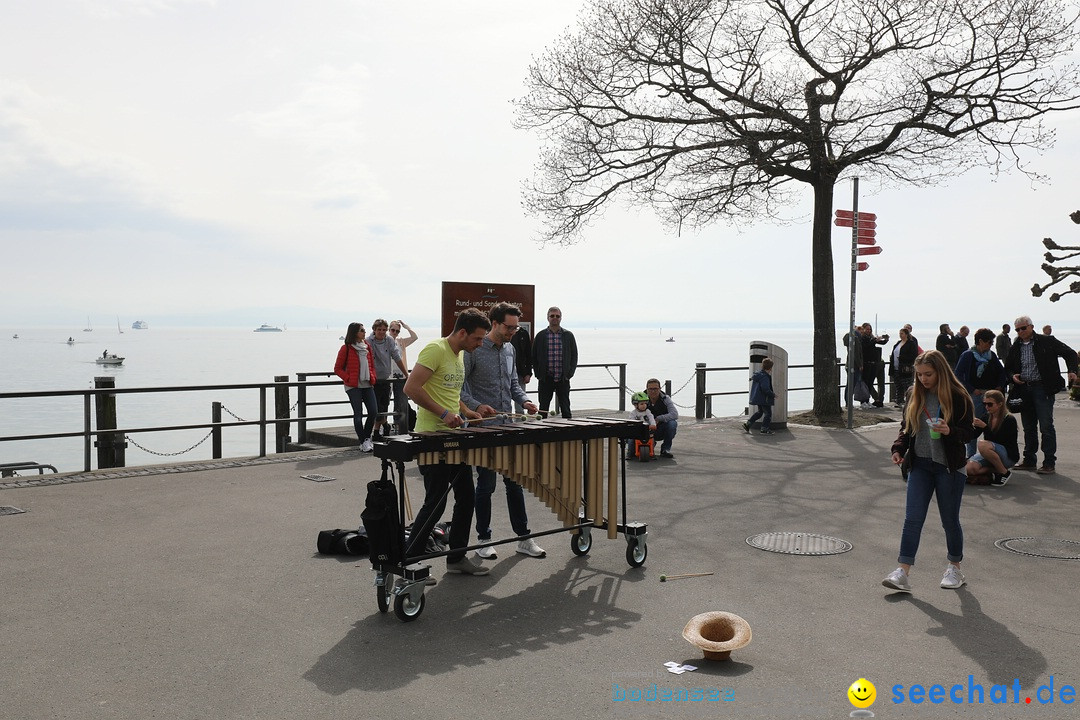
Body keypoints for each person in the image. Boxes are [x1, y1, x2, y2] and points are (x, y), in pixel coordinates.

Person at [403, 307, 492, 576]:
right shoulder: (435, 349)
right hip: (431, 436)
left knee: (466, 498)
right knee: (436, 502)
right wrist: (443, 413)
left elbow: (450, 392)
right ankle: (410, 560)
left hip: (455, 437)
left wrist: (466, 411)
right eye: (477, 339)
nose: (480, 344)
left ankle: (455, 559)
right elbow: (411, 389)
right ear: (462, 332)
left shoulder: (460, 354)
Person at [883, 350, 974, 593]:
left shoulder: (958, 396)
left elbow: (969, 432)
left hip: (949, 468)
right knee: (912, 519)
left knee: (949, 521)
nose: (923, 379)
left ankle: (954, 567)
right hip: (920, 465)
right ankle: (902, 571)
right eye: (919, 374)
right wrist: (898, 449)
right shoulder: (914, 394)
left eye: (928, 374)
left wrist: (949, 431)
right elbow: (906, 427)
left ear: (940, 371)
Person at [460, 303, 545, 561]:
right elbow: (460, 391)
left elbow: (512, 386)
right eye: (508, 327)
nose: (512, 331)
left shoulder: (510, 349)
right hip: (481, 428)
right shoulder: (473, 350)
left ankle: (523, 538)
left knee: (515, 483)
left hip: (508, 425)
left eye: (515, 327)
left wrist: (526, 401)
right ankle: (483, 539)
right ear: (494, 323)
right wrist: (476, 406)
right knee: (485, 486)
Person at [1003, 315, 1078, 475]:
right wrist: (1012, 376)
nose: (1021, 331)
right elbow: (1007, 367)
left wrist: (1072, 370)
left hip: (1042, 388)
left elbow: (1070, 353)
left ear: (1031, 327)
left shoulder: (1047, 341)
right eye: (1017, 329)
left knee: (1046, 426)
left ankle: (1049, 462)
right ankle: (1029, 460)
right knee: (1028, 427)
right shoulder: (1016, 346)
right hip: (1024, 389)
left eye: (1023, 328)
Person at [953, 328, 1006, 457]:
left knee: (993, 424)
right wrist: (971, 389)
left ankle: (991, 454)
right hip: (975, 395)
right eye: (989, 342)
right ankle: (970, 456)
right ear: (981, 341)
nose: (991, 345)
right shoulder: (968, 355)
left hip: (991, 395)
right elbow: (958, 375)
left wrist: (999, 387)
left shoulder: (991, 355)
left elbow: (1001, 372)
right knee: (974, 424)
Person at [333, 322, 378, 452]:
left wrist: (372, 377)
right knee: (358, 414)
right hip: (353, 386)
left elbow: (371, 366)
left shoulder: (367, 347)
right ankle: (363, 441)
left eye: (364, 330)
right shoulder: (346, 348)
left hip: (367, 384)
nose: (365, 332)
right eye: (362, 330)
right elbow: (337, 368)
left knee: (373, 412)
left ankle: (366, 439)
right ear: (354, 333)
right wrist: (348, 378)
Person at [965, 389, 1019, 487]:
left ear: (1000, 404)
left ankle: (1004, 473)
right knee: (969, 468)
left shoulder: (1009, 419)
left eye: (990, 404)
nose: (986, 407)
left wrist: (985, 427)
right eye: (984, 404)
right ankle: (994, 472)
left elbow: (1000, 440)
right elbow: (974, 435)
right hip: (991, 453)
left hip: (1008, 455)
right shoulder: (986, 416)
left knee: (982, 444)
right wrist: (968, 426)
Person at [532, 306, 578, 418]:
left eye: (557, 316)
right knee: (543, 408)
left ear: (561, 318)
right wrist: (538, 374)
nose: (555, 318)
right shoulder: (541, 336)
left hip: (563, 378)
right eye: (552, 316)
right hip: (546, 378)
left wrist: (569, 373)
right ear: (548, 318)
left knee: (566, 408)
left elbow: (574, 355)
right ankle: (541, 432)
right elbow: (534, 356)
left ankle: (568, 432)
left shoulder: (568, 335)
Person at [368, 318, 409, 438]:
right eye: (379, 329)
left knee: (384, 406)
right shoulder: (368, 341)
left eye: (384, 330)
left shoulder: (389, 340)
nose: (381, 332)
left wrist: (406, 374)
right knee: (376, 408)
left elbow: (397, 357)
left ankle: (379, 430)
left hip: (386, 379)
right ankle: (382, 427)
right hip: (373, 380)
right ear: (374, 330)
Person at [388, 320, 419, 432]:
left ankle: (399, 426)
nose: (395, 333)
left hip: (401, 375)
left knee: (401, 402)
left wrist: (406, 326)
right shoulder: (385, 341)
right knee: (385, 401)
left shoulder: (401, 342)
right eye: (393, 330)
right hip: (387, 375)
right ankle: (383, 424)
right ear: (389, 329)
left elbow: (414, 337)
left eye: (397, 331)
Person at [644, 378, 678, 457]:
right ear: (647, 389)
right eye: (650, 389)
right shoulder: (642, 398)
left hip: (661, 427)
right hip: (647, 427)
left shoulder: (665, 398)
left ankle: (665, 449)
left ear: (659, 389)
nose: (653, 391)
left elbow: (675, 414)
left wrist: (659, 418)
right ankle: (646, 445)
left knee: (672, 424)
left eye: (655, 389)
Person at [743, 358, 776, 435]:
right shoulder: (765, 377)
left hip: (758, 398)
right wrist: (773, 394)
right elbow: (765, 388)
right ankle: (764, 429)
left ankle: (748, 424)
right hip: (764, 399)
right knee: (768, 414)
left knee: (760, 412)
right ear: (771, 368)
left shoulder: (758, 374)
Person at [860, 323, 889, 407]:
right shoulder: (863, 338)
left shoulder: (871, 338)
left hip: (873, 362)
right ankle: (863, 401)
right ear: (864, 329)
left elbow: (881, 343)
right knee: (865, 382)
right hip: (866, 363)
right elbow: (865, 346)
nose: (869, 331)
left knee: (870, 382)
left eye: (870, 329)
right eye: (867, 329)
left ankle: (867, 400)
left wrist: (886, 339)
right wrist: (874, 340)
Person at [889, 328, 919, 407]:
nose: (900, 335)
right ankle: (899, 401)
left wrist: (902, 358)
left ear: (906, 334)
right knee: (898, 386)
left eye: (902, 333)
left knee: (907, 386)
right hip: (896, 368)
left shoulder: (911, 343)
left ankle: (911, 402)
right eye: (899, 333)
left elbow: (914, 355)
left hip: (905, 368)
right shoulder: (898, 343)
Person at [510, 324, 533, 414]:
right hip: (505, 374)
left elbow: (528, 354)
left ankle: (520, 424)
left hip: (521, 373)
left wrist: (528, 373)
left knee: (520, 406)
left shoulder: (523, 333)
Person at [842, 325, 864, 407]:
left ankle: (848, 402)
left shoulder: (854, 338)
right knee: (851, 385)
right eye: (861, 332)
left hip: (851, 365)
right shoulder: (854, 338)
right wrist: (860, 364)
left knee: (850, 384)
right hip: (854, 366)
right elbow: (856, 354)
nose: (862, 334)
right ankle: (848, 402)